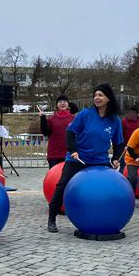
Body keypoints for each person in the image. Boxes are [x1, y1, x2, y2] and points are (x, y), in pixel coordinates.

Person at [47, 83, 125, 233]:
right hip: (78, 158)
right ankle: (52, 218)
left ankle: (104, 216)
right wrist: (73, 150)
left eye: (100, 95)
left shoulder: (114, 120)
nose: (97, 98)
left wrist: (115, 158)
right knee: (62, 186)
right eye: (95, 95)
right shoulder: (85, 114)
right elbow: (70, 133)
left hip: (100, 160)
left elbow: (119, 143)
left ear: (109, 98)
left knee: (107, 188)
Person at [39, 95, 75, 168]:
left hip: (70, 154)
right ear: (56, 105)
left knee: (70, 179)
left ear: (68, 104)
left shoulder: (74, 119)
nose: (62, 103)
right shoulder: (51, 119)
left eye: (65, 101)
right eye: (60, 102)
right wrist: (43, 119)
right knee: (55, 178)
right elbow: (45, 132)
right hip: (54, 155)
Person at [120, 106, 139, 173]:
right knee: (123, 165)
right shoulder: (123, 122)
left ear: (136, 114)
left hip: (137, 149)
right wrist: (123, 145)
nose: (129, 115)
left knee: (137, 164)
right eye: (128, 113)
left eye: (131, 113)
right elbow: (120, 135)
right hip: (125, 147)